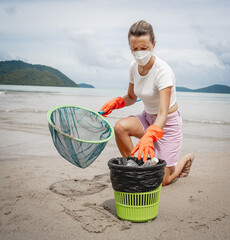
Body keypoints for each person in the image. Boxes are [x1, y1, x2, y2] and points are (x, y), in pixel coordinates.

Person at [100, 20, 194, 186]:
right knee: (120, 127)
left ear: (153, 44)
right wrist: (117, 102)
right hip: (148, 118)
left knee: (162, 181)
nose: (139, 53)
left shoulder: (163, 71)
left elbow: (163, 113)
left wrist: (151, 134)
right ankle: (135, 170)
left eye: (143, 48)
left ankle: (186, 159)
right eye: (134, 49)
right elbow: (130, 96)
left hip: (167, 125)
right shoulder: (133, 67)